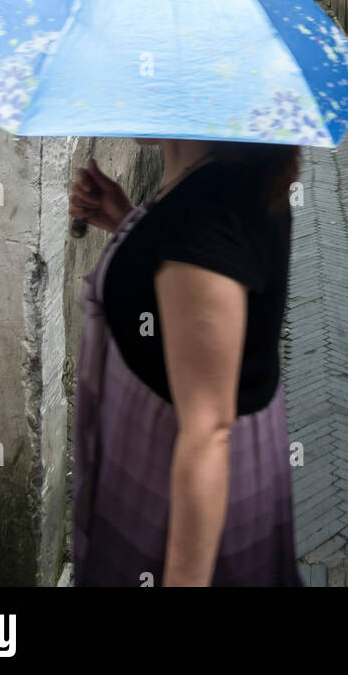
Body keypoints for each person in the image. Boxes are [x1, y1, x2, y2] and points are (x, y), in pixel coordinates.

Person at [69, 138, 304, 588]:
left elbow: (208, 431)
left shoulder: (205, 218)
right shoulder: (221, 179)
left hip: (179, 495)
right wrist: (127, 224)